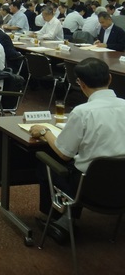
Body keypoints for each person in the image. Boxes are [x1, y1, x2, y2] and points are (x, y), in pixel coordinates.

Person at [28, 58, 125, 240]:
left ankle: (60, 220)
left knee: (46, 162)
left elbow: (64, 154)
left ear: (80, 83)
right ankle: (66, 218)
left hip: (88, 189)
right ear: (110, 79)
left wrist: (44, 131)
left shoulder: (83, 112)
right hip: (120, 188)